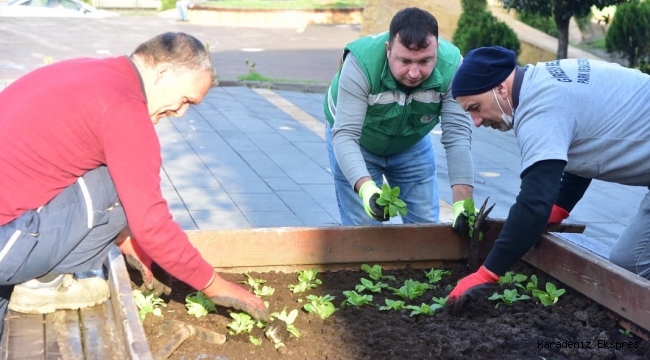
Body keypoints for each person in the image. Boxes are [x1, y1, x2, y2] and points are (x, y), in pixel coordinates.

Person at [0, 32, 269, 336]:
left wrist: (128, 241)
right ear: (164, 73)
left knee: (119, 177)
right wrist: (215, 285)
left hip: (9, 226)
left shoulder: (89, 72)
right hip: (7, 243)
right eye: (185, 100)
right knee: (123, 182)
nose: (180, 113)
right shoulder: (125, 109)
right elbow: (151, 223)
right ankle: (43, 285)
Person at [445, 45, 650, 312]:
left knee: (633, 265)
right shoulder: (541, 79)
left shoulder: (539, 108)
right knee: (629, 263)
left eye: (475, 107)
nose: (476, 121)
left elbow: (533, 203)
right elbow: (583, 145)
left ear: (500, 89)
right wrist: (559, 208)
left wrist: (487, 274)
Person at [324, 7, 475, 227]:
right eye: (405, 61)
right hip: (357, 144)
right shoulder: (360, 64)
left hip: (411, 145)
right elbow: (345, 135)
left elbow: (458, 136)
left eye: (424, 61)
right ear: (388, 49)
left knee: (425, 228)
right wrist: (366, 189)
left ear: (437, 49)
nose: (414, 73)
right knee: (363, 230)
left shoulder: (452, 67)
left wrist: (463, 205)